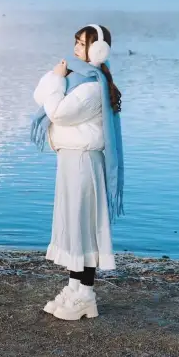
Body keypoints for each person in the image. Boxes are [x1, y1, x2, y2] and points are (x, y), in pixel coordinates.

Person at [32, 24, 123, 321]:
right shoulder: (82, 80)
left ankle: (86, 294)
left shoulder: (91, 87)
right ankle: (74, 287)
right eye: (75, 42)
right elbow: (41, 99)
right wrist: (57, 80)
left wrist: (56, 79)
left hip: (84, 162)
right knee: (73, 225)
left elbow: (57, 111)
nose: (75, 48)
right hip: (71, 161)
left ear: (97, 50)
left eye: (81, 44)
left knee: (83, 226)